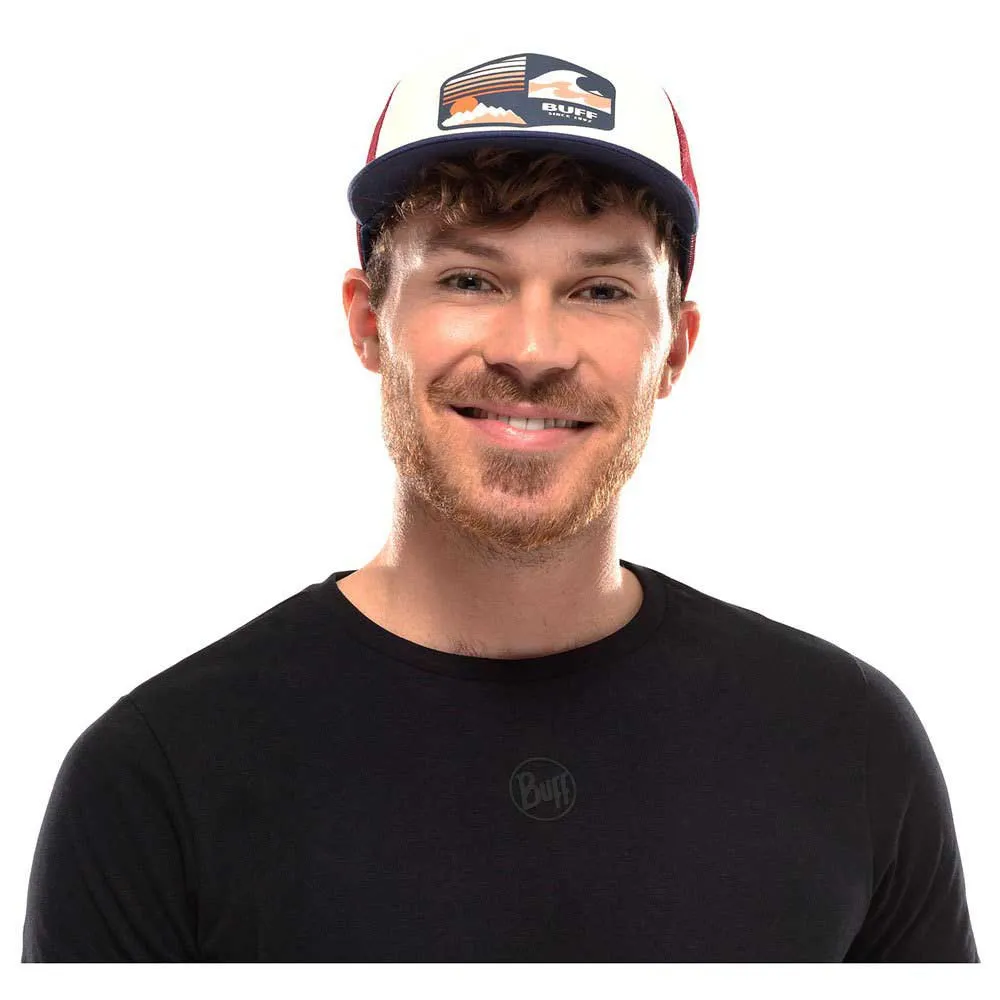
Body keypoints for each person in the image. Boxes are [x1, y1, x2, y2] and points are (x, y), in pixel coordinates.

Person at [22, 48, 979, 962]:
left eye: (599, 289)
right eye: (470, 279)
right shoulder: (160, 776)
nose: (532, 350)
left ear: (676, 349)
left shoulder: (844, 740)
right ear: (368, 322)